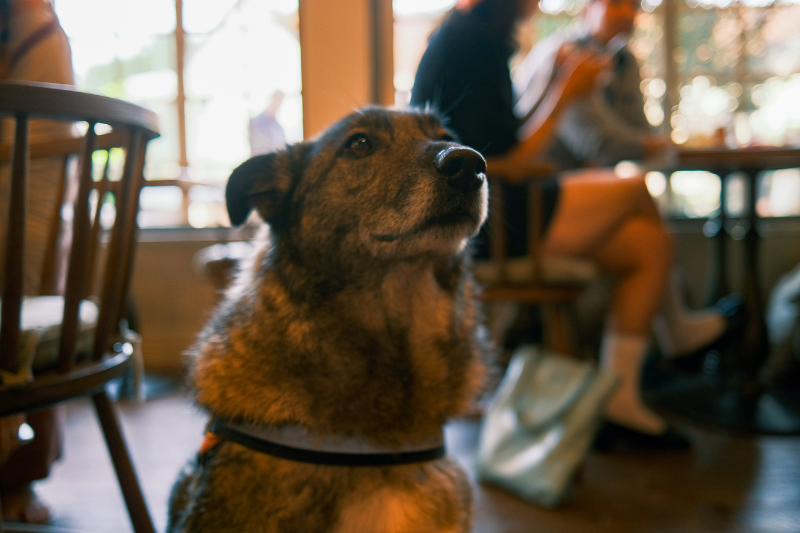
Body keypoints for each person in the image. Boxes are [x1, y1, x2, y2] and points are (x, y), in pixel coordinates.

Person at [410, 0, 727, 450]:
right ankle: (675, 329)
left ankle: (620, 399)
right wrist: (565, 92)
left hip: (504, 202)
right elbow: (511, 159)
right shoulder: (469, 45)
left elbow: (506, 137)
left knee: (646, 244)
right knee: (635, 189)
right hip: (489, 216)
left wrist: (555, 84)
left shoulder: (478, 39)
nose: (537, 3)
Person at [0, 0, 75, 523]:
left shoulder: (35, 32)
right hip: (36, 228)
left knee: (22, 315)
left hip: (26, 226)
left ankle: (16, 476)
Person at [513, 0, 672, 170]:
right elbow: (598, 144)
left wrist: (655, 146)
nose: (627, 13)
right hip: (541, 176)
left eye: (634, 5)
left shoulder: (623, 59)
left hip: (585, 174)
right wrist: (664, 146)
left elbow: (639, 129)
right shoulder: (565, 55)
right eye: (616, 4)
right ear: (587, 8)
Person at [248, 90, 287, 157]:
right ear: (271, 99)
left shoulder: (278, 127)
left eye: (280, 101)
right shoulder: (256, 121)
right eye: (277, 100)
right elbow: (255, 150)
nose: (278, 104)